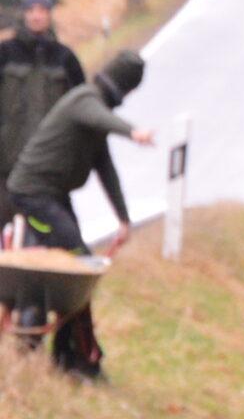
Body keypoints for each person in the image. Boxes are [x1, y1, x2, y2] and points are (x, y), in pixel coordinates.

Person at [5, 50, 152, 377]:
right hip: (32, 196)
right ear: (121, 87)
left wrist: (124, 219)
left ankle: (67, 354)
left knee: (75, 267)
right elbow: (103, 120)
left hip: (53, 196)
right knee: (79, 265)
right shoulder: (85, 100)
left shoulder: (94, 114)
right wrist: (133, 132)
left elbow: (106, 169)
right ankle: (73, 357)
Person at [0, 0, 85, 232]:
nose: (37, 16)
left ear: (50, 15)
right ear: (23, 14)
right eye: (32, 11)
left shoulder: (64, 58)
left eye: (43, 11)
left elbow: (82, 109)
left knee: (60, 233)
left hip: (49, 169)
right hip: (7, 165)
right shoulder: (5, 54)